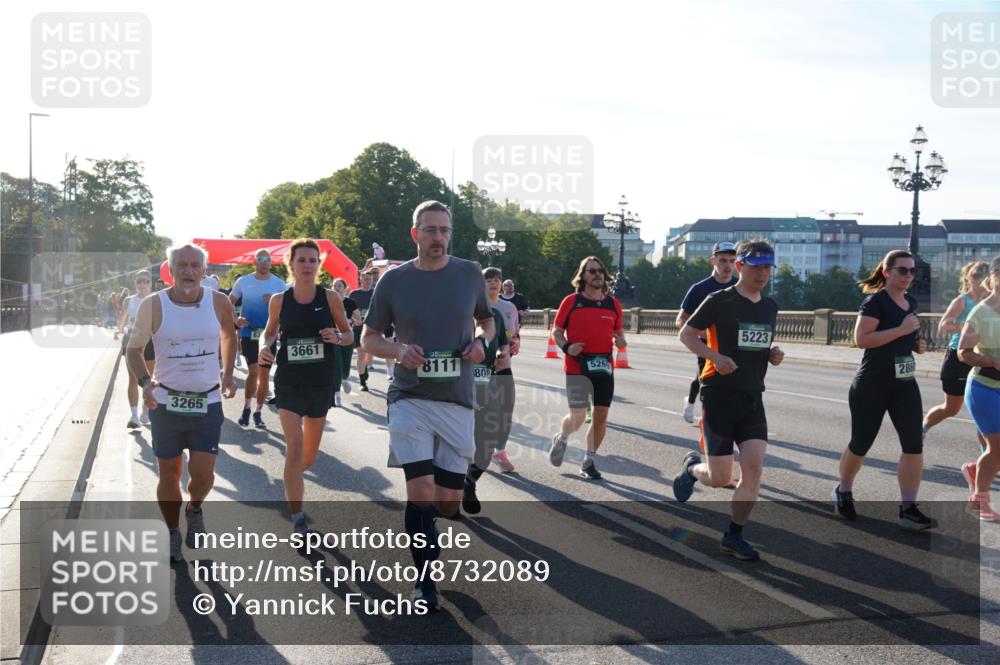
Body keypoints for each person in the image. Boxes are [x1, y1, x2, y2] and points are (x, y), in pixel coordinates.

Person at [361, 200, 494, 610]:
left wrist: (482, 343)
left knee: (447, 503)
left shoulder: (469, 273)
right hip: (410, 396)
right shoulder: (394, 280)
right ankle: (424, 581)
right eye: (430, 229)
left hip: (456, 399)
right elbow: (369, 338)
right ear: (415, 233)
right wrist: (399, 351)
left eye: (444, 230)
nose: (438, 237)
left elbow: (487, 321)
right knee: (420, 492)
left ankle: (434, 523)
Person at [126, 244, 238, 562]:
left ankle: (195, 507)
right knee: (170, 473)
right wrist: (145, 384)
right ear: (170, 270)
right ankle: (173, 531)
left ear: (204, 270)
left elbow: (229, 336)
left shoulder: (218, 302)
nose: (189, 271)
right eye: (182, 265)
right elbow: (133, 349)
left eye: (194, 265)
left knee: (203, 475)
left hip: (207, 401)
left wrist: (229, 373)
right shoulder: (153, 305)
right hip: (166, 403)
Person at [673, 238, 782, 561]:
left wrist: (771, 354)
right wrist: (714, 356)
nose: (762, 274)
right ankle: (692, 469)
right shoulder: (718, 300)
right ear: (740, 266)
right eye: (756, 267)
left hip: (752, 397)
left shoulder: (770, 306)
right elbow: (686, 334)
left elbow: (755, 344)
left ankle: (734, 535)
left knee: (754, 469)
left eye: (768, 268)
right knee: (720, 477)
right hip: (718, 395)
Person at [831, 250, 934, 530]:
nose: (909, 276)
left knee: (914, 444)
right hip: (872, 384)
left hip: (905, 384)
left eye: (912, 271)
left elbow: (906, 336)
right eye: (903, 270)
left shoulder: (910, 302)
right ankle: (843, 490)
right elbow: (862, 339)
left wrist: (917, 344)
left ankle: (908, 508)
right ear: (887, 273)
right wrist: (902, 330)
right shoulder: (875, 302)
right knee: (861, 442)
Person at [259, 239, 353, 534]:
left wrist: (337, 337)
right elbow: (269, 332)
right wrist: (264, 346)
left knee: (308, 458)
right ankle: (298, 518)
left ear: (318, 265)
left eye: (313, 260)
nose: (308, 266)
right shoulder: (279, 300)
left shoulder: (330, 298)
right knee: (294, 447)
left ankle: (292, 480)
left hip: (320, 381)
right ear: (291, 264)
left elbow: (349, 334)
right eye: (301, 260)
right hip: (289, 380)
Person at [548, 256, 627, 480]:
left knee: (601, 417)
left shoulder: (613, 304)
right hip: (577, 367)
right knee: (578, 417)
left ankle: (588, 461)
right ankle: (562, 437)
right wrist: (567, 347)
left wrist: (621, 340)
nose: (597, 275)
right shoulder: (572, 301)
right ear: (583, 276)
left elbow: (619, 331)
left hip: (604, 367)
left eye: (600, 271)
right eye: (592, 271)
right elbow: (556, 331)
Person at [922, 261, 989, 451]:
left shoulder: (993, 301)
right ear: (970, 279)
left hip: (982, 356)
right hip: (958, 357)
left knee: (984, 411)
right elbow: (944, 326)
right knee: (951, 408)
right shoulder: (962, 301)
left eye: (986, 279)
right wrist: (968, 327)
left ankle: (987, 455)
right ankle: (922, 428)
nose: (983, 284)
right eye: (978, 279)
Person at [462, 273, 511, 514]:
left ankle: (469, 482)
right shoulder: (456, 313)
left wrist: (503, 355)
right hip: (457, 388)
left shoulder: (496, 316)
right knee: (457, 442)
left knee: (487, 444)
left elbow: (503, 346)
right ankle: (447, 487)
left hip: (486, 385)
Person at [677, 241, 739, 424]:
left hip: (732, 346)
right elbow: (680, 320)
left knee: (733, 383)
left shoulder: (739, 287)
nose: (728, 266)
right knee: (704, 378)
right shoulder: (699, 289)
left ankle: (727, 421)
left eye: (732, 261)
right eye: (723, 260)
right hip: (706, 346)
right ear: (713, 260)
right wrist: (702, 333)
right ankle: (693, 406)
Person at [958, 256, 1000, 520]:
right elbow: (963, 352)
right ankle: (979, 502)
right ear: (993, 277)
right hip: (984, 388)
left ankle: (975, 471)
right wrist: (993, 361)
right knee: (998, 448)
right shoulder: (981, 312)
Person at [230, 250, 286, 428]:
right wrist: (236, 319)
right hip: (249, 333)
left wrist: (275, 302)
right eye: (260, 259)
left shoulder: (279, 284)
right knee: (253, 371)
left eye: (267, 259)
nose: (264, 262)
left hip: (269, 335)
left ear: (271, 262)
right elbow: (228, 302)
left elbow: (288, 308)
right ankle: (247, 408)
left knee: (264, 374)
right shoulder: (243, 281)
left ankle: (258, 412)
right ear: (255, 262)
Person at [484, 269, 520, 472]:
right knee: (485, 411)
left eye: (497, 280)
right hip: (480, 369)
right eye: (489, 280)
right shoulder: (473, 306)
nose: (494, 283)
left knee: (506, 408)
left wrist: (515, 344)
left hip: (504, 365)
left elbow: (514, 334)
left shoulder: (509, 307)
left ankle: (499, 451)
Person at [118, 271, 155, 428]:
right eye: (139, 281)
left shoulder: (155, 299)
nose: (142, 284)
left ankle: (145, 411)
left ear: (150, 283)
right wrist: (120, 329)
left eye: (145, 281)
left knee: (148, 378)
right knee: (133, 378)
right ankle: (134, 416)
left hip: (150, 340)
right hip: (132, 338)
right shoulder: (129, 300)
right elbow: (122, 318)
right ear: (135, 283)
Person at [331, 278, 358, 406]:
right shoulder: (328, 301)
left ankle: (345, 378)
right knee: (336, 365)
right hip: (333, 337)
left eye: (339, 285)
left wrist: (350, 321)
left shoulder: (350, 303)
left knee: (345, 365)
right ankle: (336, 394)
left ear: (345, 288)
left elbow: (359, 320)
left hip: (347, 337)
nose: (336, 288)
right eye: (334, 285)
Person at [349, 270, 375, 391]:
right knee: (361, 354)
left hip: (372, 328)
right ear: (360, 280)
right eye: (365, 279)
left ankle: (364, 370)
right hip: (358, 328)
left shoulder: (376, 293)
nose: (368, 282)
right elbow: (348, 311)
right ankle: (362, 382)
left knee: (368, 356)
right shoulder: (354, 294)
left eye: (370, 279)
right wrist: (354, 319)